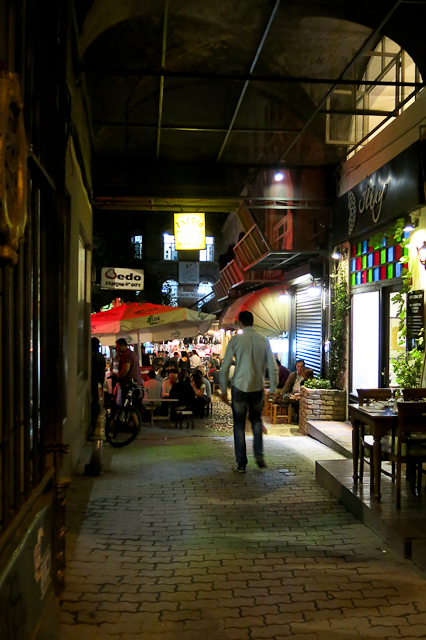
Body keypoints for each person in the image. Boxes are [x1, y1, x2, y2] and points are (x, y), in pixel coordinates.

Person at [220, 310, 278, 471]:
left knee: (239, 425)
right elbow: (273, 367)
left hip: (239, 385)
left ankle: (241, 463)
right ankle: (258, 454)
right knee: (256, 420)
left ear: (240, 323)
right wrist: (273, 388)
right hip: (257, 386)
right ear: (253, 322)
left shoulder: (235, 340)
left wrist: (223, 389)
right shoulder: (264, 340)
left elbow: (225, 367)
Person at [91, 337, 106, 427]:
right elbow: (103, 369)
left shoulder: (91, 356)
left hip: (92, 382)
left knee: (93, 402)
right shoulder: (101, 357)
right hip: (99, 382)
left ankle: (93, 423)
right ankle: (96, 421)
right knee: (97, 401)